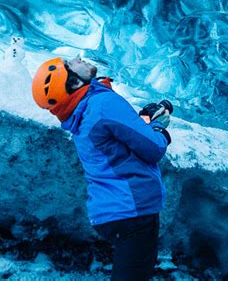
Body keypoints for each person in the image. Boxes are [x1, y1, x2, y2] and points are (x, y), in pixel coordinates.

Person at [31, 56, 172, 281]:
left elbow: (117, 139)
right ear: (75, 83)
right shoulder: (103, 103)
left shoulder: (84, 112)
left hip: (110, 212)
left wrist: (142, 122)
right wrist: (159, 127)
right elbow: (154, 148)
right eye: (71, 63)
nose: (78, 58)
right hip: (132, 210)